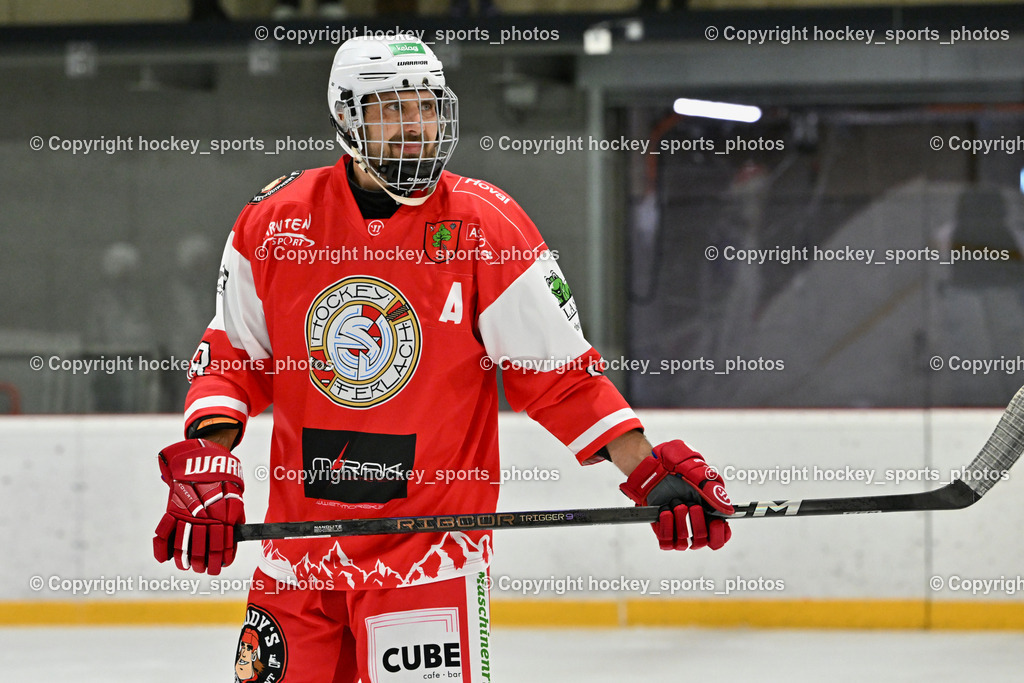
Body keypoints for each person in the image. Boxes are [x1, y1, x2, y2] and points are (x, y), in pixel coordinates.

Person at [152, 35, 734, 682]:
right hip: (296, 563)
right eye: (392, 108)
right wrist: (209, 454)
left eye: (427, 106)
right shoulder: (275, 221)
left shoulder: (486, 226)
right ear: (346, 115)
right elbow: (234, 357)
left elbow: (561, 380)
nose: (416, 125)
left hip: (427, 563)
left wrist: (648, 468)